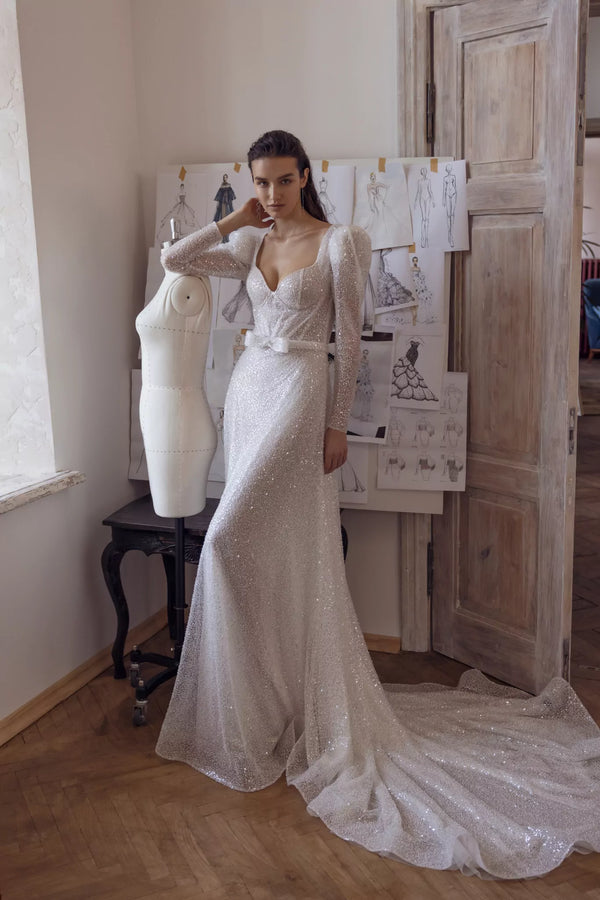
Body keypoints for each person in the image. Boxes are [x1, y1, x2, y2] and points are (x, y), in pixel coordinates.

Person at [155, 130, 600, 880]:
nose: (271, 194)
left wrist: (338, 426)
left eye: (283, 180)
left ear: (305, 176)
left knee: (225, 541)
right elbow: (176, 260)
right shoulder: (249, 241)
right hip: (251, 393)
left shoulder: (342, 242)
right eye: (260, 182)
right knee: (260, 552)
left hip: (301, 392)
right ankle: (266, 704)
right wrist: (233, 220)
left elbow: (352, 340)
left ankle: (284, 703)